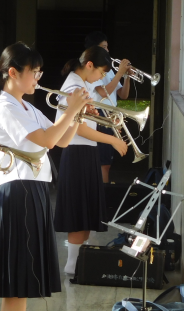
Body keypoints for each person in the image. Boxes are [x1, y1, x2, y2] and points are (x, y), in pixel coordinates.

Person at [0, 42, 90, 311]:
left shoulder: (25, 106)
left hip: (32, 189)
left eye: (41, 72)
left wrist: (76, 114)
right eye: (34, 72)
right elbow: (43, 141)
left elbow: (61, 139)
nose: (38, 78)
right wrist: (70, 111)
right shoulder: (5, 107)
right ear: (13, 73)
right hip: (20, 191)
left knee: (18, 269)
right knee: (22, 272)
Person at [54, 46, 128, 274]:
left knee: (85, 213)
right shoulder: (74, 87)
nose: (101, 77)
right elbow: (80, 130)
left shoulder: (83, 84)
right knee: (78, 213)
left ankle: (79, 263)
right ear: (89, 66)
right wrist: (113, 140)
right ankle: (72, 265)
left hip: (85, 153)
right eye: (100, 72)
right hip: (77, 153)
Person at [84, 31, 132, 183]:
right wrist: (120, 73)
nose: (108, 50)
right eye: (104, 47)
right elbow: (103, 92)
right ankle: (102, 197)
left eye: (107, 47)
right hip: (100, 117)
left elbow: (123, 95)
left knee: (107, 163)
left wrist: (126, 76)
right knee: (103, 163)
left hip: (111, 117)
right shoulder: (93, 69)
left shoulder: (110, 69)